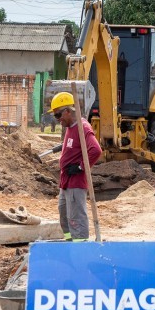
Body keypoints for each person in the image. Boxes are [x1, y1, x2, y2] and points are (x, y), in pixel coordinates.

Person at [50, 92, 102, 241]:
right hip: (65, 182)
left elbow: (96, 150)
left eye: (58, 115)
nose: (58, 119)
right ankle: (69, 243)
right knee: (64, 216)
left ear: (68, 111)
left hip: (75, 182)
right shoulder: (70, 127)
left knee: (76, 219)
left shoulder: (83, 127)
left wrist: (80, 167)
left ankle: (80, 247)